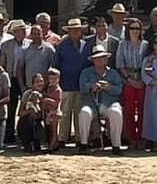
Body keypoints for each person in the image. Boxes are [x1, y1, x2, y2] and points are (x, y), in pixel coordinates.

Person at [77, 46, 124, 153]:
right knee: (84, 113)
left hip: (109, 103)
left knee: (116, 112)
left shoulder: (113, 73)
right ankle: (83, 144)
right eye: (97, 58)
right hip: (91, 103)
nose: (100, 60)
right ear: (93, 60)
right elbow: (82, 88)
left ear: (106, 59)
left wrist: (109, 87)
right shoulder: (86, 72)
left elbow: (119, 90)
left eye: (102, 57)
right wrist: (92, 86)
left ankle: (116, 146)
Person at [53, 19, 91, 148]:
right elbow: (56, 65)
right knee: (64, 113)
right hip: (65, 84)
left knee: (79, 114)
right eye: (72, 30)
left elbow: (89, 65)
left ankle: (80, 139)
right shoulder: (62, 46)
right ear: (68, 31)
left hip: (81, 85)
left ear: (81, 31)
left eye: (78, 29)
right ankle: (63, 138)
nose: (75, 32)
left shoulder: (86, 46)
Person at [116, 18, 149, 143]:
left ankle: (141, 137)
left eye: (137, 28)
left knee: (142, 110)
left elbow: (149, 63)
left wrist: (141, 80)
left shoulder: (145, 45)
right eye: (132, 28)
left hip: (142, 81)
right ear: (128, 30)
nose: (135, 31)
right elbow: (120, 64)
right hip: (128, 81)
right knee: (129, 110)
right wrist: (129, 79)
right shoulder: (122, 44)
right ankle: (131, 138)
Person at [18, 74, 48, 153]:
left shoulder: (45, 94)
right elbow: (20, 113)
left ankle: (38, 142)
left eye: (41, 81)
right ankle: (26, 143)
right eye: (37, 81)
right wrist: (29, 110)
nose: (40, 83)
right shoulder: (27, 94)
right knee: (28, 119)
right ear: (32, 84)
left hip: (39, 120)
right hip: (27, 121)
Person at [41, 68, 65, 153]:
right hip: (48, 111)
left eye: (55, 78)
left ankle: (51, 147)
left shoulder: (58, 90)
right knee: (50, 130)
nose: (53, 80)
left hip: (54, 112)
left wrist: (48, 100)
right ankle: (54, 144)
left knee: (54, 130)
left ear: (59, 78)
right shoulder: (49, 88)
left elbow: (58, 102)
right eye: (51, 78)